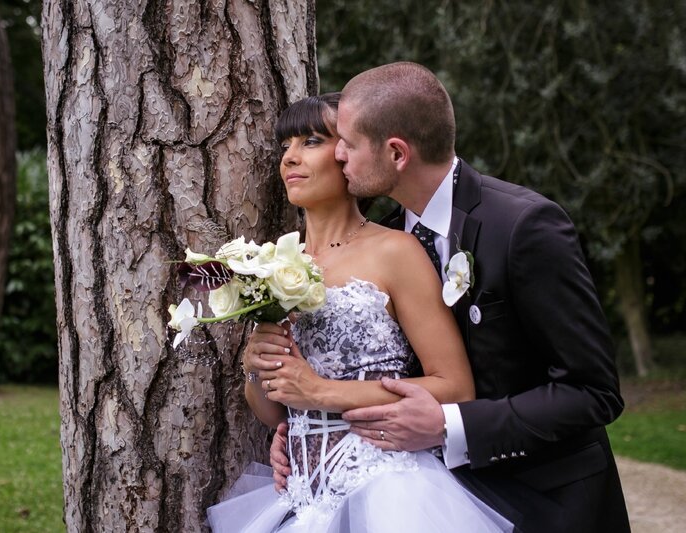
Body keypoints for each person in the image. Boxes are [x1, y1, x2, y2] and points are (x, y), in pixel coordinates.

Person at [263, 63, 630, 533]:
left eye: (347, 145)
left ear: (396, 153)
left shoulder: (523, 226)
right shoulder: (389, 238)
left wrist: (450, 426)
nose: (338, 156)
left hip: (548, 500)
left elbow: (593, 392)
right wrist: (307, 431)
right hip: (422, 495)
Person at [206, 93, 512, 532]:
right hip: (300, 498)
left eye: (311, 141)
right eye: (285, 146)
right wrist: (256, 368)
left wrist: (321, 392)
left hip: (386, 492)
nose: (290, 157)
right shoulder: (271, 265)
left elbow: (455, 387)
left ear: (347, 155)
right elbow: (276, 413)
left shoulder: (395, 251)